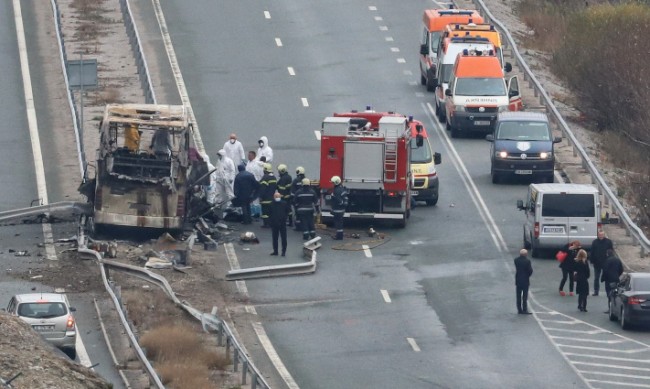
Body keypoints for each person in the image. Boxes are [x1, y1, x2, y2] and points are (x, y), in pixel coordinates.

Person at [590, 230, 613, 296]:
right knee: (596, 278)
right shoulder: (595, 242)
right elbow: (592, 252)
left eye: (602, 235)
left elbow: (611, 251)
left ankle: (609, 291)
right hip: (597, 263)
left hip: (606, 263)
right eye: (599, 235)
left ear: (604, 235)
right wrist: (592, 261)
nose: (601, 236)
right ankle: (596, 291)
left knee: (607, 277)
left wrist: (610, 260)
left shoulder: (608, 242)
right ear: (598, 235)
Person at [269, 192, 289, 256]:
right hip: (282, 223)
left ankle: (276, 251)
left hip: (275, 223)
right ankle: (283, 252)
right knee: (283, 238)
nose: (277, 198)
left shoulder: (271, 204)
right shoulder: (284, 203)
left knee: (275, 238)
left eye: (277, 196)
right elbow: (287, 212)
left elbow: (269, 213)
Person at [514, 248, 533, 314]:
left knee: (518, 295)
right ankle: (525, 309)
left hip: (518, 279)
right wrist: (528, 275)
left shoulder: (516, 260)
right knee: (525, 296)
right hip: (525, 280)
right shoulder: (527, 261)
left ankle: (519, 309)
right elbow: (530, 271)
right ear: (525, 254)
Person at [259, 163, 277, 228]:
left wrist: (260, 196)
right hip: (272, 197)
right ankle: (271, 223)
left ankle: (266, 224)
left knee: (265, 213)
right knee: (270, 212)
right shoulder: (274, 177)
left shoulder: (265, 177)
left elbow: (262, 188)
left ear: (265, 170)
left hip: (265, 198)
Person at [330, 176, 348, 240]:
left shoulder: (336, 190)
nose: (332, 184)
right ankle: (339, 235)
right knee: (340, 222)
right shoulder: (342, 189)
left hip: (337, 210)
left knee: (337, 223)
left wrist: (333, 197)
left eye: (333, 183)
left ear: (336, 182)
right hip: (341, 210)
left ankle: (339, 236)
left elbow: (339, 201)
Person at [291, 166, 306, 231]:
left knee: (297, 214)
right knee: (304, 214)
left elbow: (293, 192)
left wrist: (293, 201)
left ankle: (298, 227)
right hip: (305, 201)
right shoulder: (306, 180)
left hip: (298, 200)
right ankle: (304, 225)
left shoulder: (295, 180)